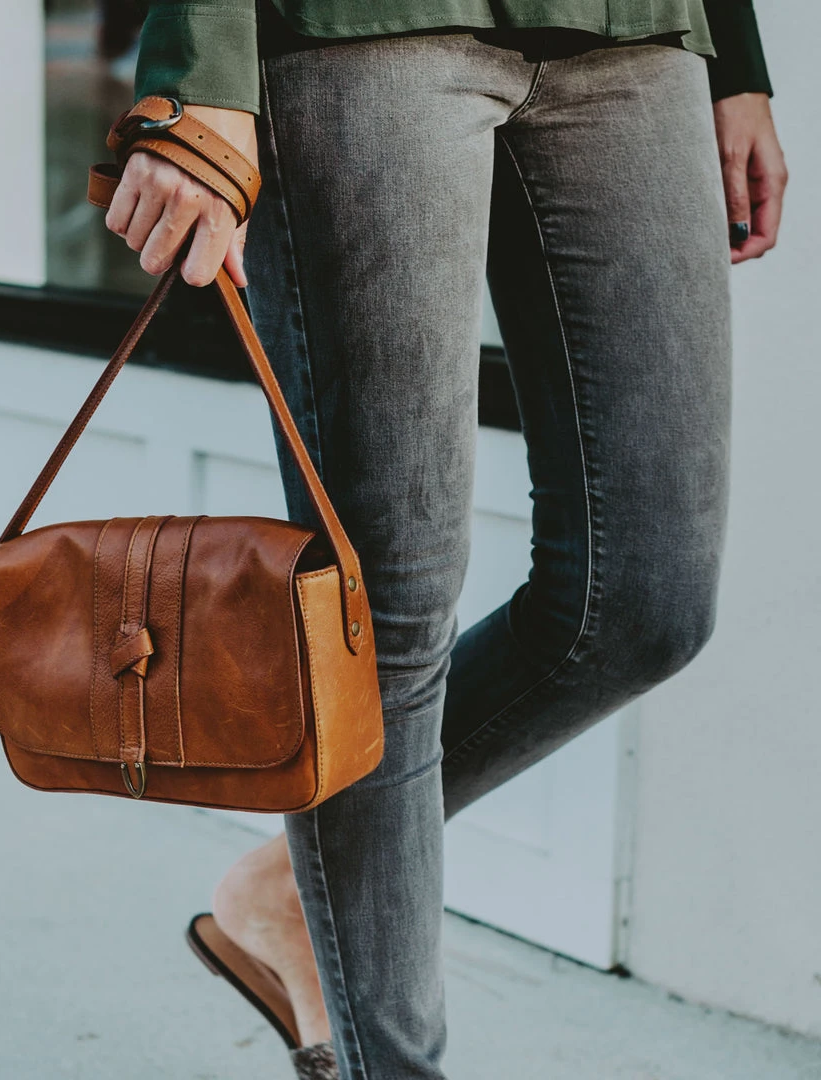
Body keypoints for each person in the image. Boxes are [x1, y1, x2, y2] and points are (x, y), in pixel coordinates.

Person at [104, 2, 788, 1077]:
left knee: (646, 603)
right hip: (362, 33)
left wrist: (734, 59)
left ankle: (291, 891)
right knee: (384, 620)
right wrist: (204, 70)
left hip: (635, 29)